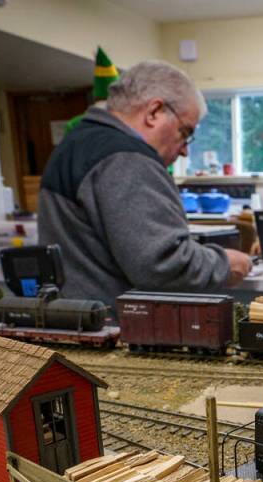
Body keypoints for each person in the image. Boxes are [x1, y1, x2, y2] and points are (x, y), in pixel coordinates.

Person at [39, 60, 251, 306]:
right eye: (185, 133)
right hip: (115, 329)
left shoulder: (75, 144)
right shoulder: (127, 158)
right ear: (154, 113)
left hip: (76, 318)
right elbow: (161, 265)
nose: (184, 151)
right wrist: (225, 264)